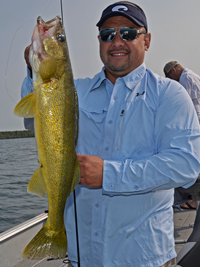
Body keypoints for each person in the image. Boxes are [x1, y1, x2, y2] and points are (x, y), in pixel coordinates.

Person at [21, 2, 200, 267]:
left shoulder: (169, 95)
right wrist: (35, 68)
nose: (116, 41)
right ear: (99, 41)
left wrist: (109, 174)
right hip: (82, 259)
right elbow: (32, 121)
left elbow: (186, 166)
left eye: (128, 33)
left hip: (146, 259)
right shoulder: (74, 91)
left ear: (147, 40)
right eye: (107, 35)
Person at [164, 61, 200, 210]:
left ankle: (193, 200)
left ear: (173, 70)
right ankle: (193, 200)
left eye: (171, 77)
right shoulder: (194, 75)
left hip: (195, 124)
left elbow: (182, 103)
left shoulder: (185, 78)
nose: (173, 81)